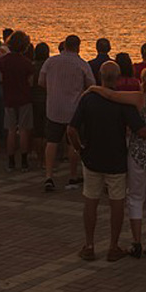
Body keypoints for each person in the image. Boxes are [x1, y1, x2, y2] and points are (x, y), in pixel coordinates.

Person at [84, 65, 146, 259]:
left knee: (136, 197)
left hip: (140, 155)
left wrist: (94, 88)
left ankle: (136, 242)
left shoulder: (140, 98)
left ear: (144, 82)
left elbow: (112, 96)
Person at [39, 35, 96, 191]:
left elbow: (41, 82)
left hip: (54, 108)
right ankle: (72, 175)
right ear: (78, 46)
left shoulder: (50, 62)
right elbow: (92, 86)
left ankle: (49, 176)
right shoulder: (82, 65)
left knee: (52, 142)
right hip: (73, 110)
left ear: (64, 45)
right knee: (73, 143)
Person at [0, 30, 34, 172]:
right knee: (24, 130)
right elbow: (30, 83)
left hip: (9, 98)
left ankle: (11, 161)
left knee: (11, 130)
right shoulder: (27, 63)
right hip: (24, 98)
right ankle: (24, 161)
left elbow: (2, 79)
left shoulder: (3, 61)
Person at [32, 42, 50, 167]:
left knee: (38, 131)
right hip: (48, 100)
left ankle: (39, 158)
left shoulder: (32, 66)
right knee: (47, 132)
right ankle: (46, 160)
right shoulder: (50, 66)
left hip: (34, 100)